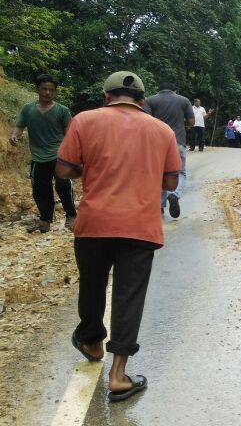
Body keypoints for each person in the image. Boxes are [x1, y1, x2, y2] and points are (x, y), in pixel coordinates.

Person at [55, 71, 180, 402]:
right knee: (129, 296)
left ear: (105, 96)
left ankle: (91, 339)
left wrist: (91, 168)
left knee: (93, 285)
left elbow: (64, 169)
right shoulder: (162, 130)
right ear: (142, 100)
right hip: (140, 226)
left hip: (94, 222)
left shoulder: (85, 121)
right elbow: (170, 183)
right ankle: (118, 375)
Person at [9, 73, 78, 232]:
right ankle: (45, 220)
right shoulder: (28, 109)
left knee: (63, 185)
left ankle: (71, 215)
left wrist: (72, 153)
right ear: (37, 89)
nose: (47, 93)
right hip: (38, 157)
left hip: (59, 155)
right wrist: (14, 136)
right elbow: (19, 126)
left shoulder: (62, 110)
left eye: (51, 90)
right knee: (40, 190)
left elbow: (70, 132)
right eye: (44, 89)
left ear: (55, 92)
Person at [144, 82, 193, 218]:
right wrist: (180, 122)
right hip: (178, 141)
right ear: (174, 90)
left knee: (159, 173)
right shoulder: (183, 100)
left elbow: (145, 121)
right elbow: (191, 122)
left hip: (157, 144)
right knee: (180, 172)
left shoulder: (150, 100)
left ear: (158, 90)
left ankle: (159, 206)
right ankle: (174, 195)